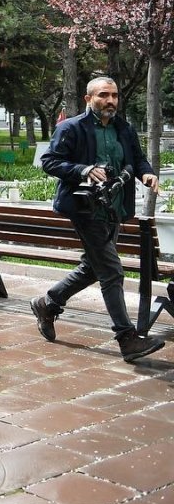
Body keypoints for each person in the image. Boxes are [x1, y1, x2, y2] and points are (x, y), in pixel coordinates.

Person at [33, 76, 165, 362]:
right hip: (84, 209)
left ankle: (48, 302)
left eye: (115, 95)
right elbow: (49, 162)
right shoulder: (72, 127)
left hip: (114, 208)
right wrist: (83, 169)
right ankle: (127, 339)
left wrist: (147, 173)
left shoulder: (124, 128)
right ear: (88, 99)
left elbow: (138, 159)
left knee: (94, 268)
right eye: (104, 95)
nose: (111, 101)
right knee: (112, 271)